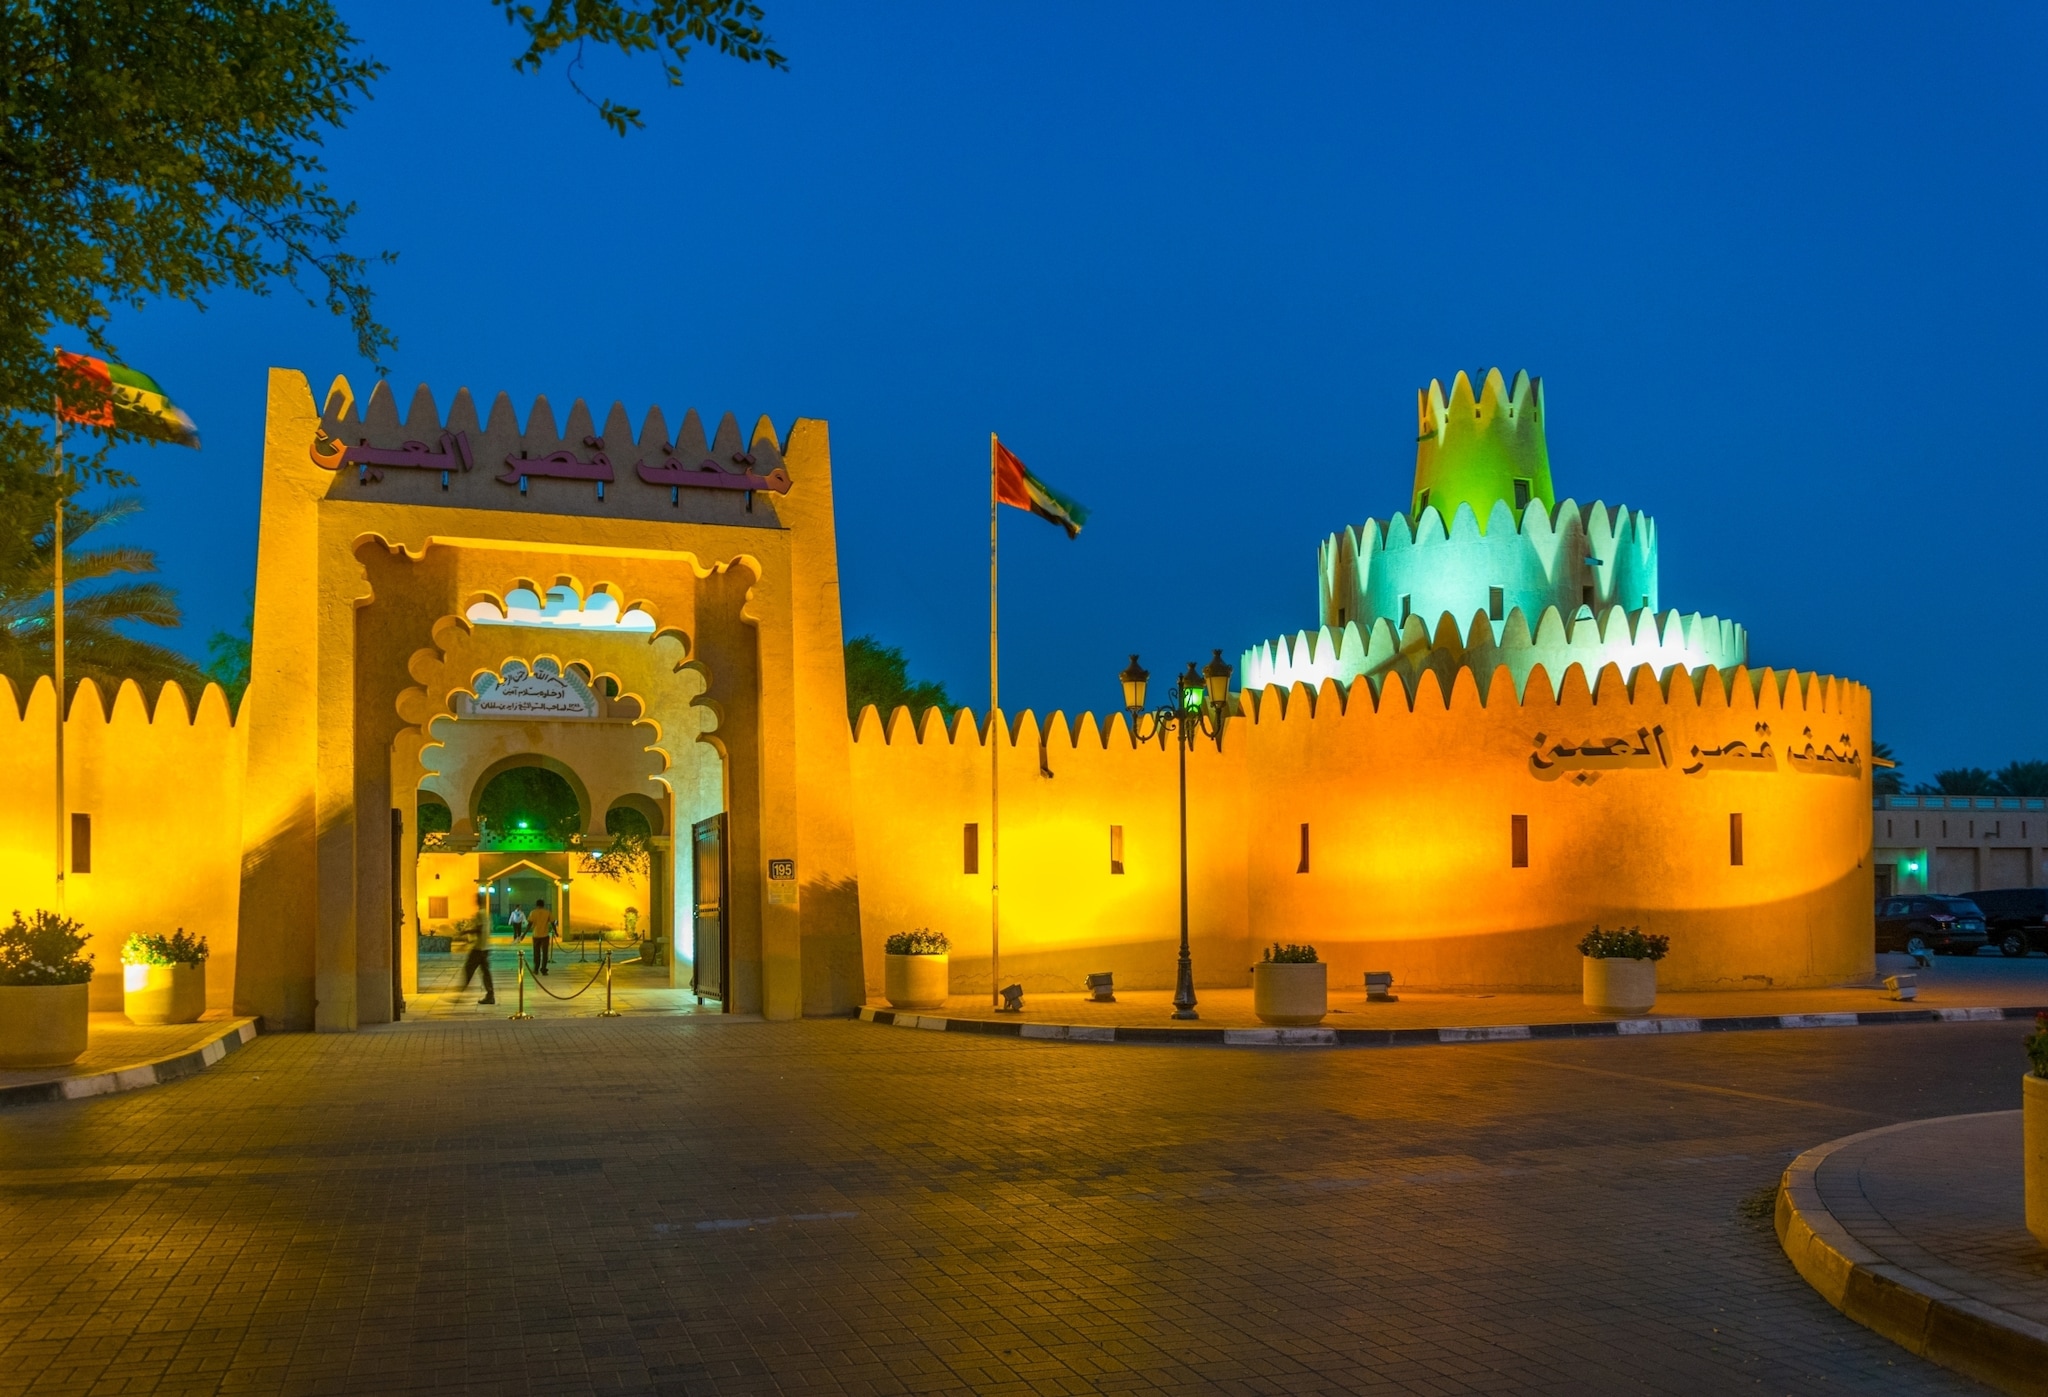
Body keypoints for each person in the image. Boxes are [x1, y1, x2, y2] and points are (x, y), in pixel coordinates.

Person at [459, 916, 495, 1004]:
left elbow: (479, 929)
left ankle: (459, 993)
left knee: (469, 969)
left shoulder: (480, 914)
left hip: (479, 949)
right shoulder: (486, 916)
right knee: (485, 972)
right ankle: (490, 995)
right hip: (484, 948)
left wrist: (466, 931)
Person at [529, 897, 554, 975]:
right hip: (545, 935)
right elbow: (552, 922)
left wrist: (523, 934)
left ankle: (536, 969)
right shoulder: (547, 912)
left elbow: (529, 924)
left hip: (536, 935)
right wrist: (556, 932)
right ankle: (543, 969)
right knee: (545, 953)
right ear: (543, 905)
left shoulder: (533, 912)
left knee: (536, 953)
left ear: (536, 905)